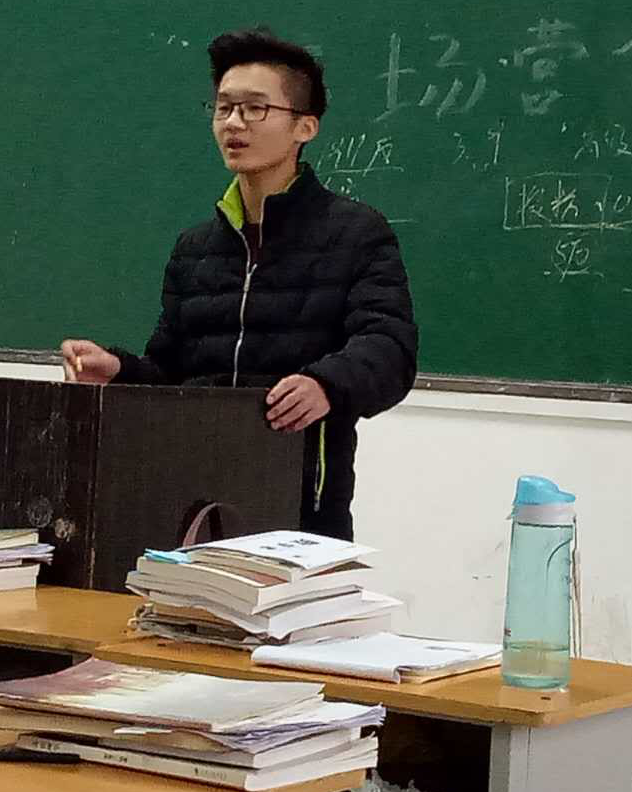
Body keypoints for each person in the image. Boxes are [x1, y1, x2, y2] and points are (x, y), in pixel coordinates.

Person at [61, 28, 418, 541]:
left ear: (305, 127)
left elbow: (389, 348)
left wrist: (326, 384)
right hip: (188, 501)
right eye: (224, 108)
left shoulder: (355, 233)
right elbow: (172, 372)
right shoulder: (196, 247)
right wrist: (118, 371)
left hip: (300, 503)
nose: (233, 123)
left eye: (255, 109)